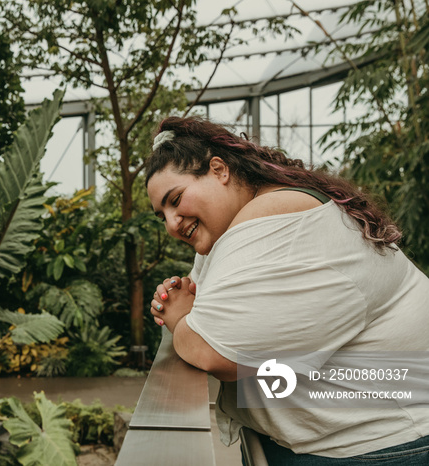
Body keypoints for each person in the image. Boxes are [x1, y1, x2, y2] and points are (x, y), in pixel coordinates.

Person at [144, 116, 429, 465]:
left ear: (219, 170)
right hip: (337, 441)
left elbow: (213, 351)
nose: (172, 223)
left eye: (176, 199)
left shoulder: (271, 218)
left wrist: (179, 318)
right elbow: (199, 302)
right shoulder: (234, 229)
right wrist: (186, 312)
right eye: (163, 215)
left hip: (380, 445)